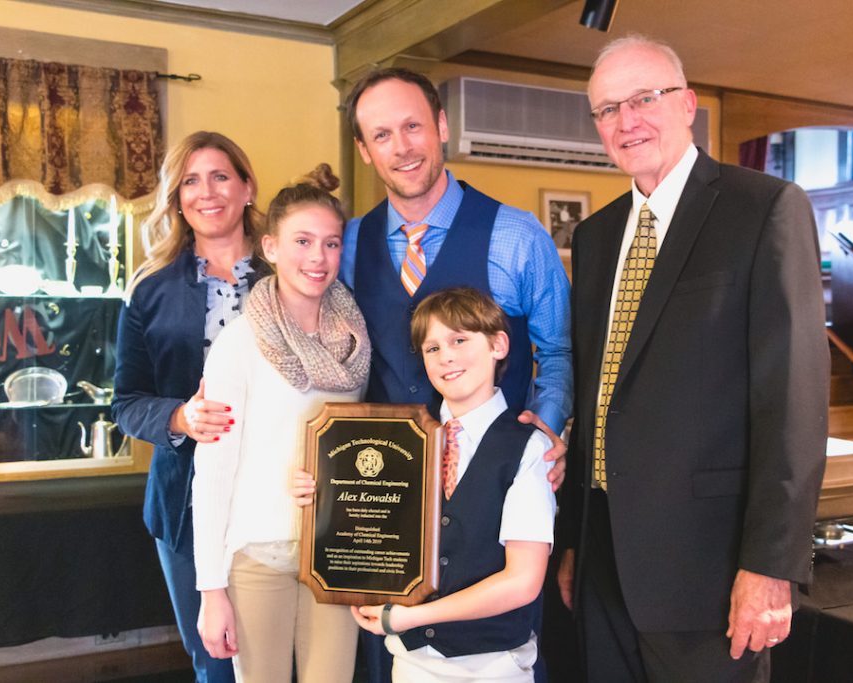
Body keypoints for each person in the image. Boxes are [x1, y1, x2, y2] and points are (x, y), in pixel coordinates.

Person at [557, 35, 829, 682]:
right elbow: (596, 397)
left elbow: (792, 403)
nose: (627, 121)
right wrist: (575, 538)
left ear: (688, 104)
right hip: (603, 564)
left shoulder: (763, 209)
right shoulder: (594, 238)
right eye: (608, 109)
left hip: (708, 575)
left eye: (644, 99)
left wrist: (771, 567)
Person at [340, 66, 572, 683]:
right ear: (365, 151)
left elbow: (557, 353)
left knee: (493, 653)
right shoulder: (348, 244)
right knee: (389, 659)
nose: (402, 146)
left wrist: (543, 437)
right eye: (382, 134)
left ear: (442, 126)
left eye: (413, 125)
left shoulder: (517, 235)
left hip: (490, 503)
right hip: (387, 503)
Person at [192, 164, 370, 683]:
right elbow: (214, 472)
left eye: (332, 243)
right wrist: (211, 590)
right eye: (303, 240)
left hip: (335, 553)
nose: (318, 257)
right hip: (257, 557)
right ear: (270, 247)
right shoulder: (240, 343)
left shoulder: (355, 341)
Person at [113, 131, 267, 682]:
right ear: (177, 199)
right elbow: (127, 403)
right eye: (190, 181)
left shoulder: (294, 274)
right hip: (185, 505)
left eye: (221, 176)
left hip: (285, 498)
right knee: (217, 658)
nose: (207, 192)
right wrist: (180, 418)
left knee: (289, 656)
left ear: (247, 187)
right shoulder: (148, 289)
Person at [344, 286, 554, 682]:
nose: (447, 357)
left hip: (493, 667)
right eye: (432, 348)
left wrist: (415, 616)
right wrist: (319, 494)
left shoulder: (528, 447)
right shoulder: (401, 440)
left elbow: (523, 581)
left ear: (499, 345)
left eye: (459, 340)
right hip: (409, 665)